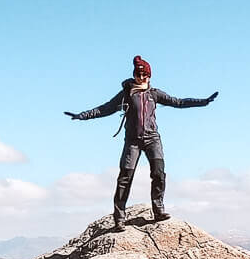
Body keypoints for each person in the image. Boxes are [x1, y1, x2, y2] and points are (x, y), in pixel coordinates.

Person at [67, 55, 218, 228]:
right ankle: (119, 218)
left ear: (149, 76)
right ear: (134, 75)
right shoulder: (126, 93)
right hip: (132, 141)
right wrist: (82, 116)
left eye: (145, 76)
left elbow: (178, 102)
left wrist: (203, 102)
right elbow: (106, 108)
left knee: (159, 173)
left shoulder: (154, 94)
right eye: (139, 75)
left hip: (152, 139)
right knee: (125, 177)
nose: (141, 78)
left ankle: (158, 209)